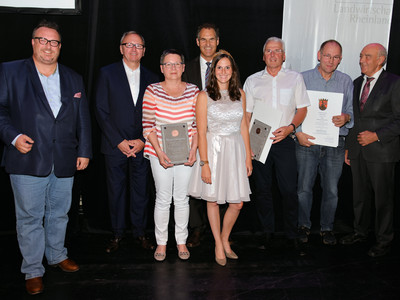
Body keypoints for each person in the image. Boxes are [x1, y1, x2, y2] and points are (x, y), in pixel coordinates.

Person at [0, 20, 92, 295]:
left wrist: (85, 150)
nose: (48, 46)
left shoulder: (73, 78)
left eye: (54, 42)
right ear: (33, 42)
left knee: (60, 213)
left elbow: (82, 118)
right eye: (43, 40)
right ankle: (32, 269)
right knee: (29, 218)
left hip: (64, 158)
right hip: (27, 159)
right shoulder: (10, 71)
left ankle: (56, 255)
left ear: (60, 47)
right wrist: (14, 137)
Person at [244, 37, 310, 250]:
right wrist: (248, 143)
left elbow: (302, 109)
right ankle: (267, 231)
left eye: (277, 51)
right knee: (262, 189)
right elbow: (247, 114)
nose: (273, 55)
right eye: (269, 51)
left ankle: (291, 232)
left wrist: (291, 128)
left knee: (289, 189)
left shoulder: (295, 78)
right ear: (263, 56)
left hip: (284, 140)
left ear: (284, 55)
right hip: (259, 140)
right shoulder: (253, 80)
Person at [95, 31, 158, 253]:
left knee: (141, 192)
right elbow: (101, 110)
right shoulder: (106, 73)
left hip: (143, 146)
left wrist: (142, 140)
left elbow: (155, 115)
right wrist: (119, 141)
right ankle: (117, 234)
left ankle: (140, 233)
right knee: (116, 191)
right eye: (129, 45)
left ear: (144, 51)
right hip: (115, 146)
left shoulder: (152, 77)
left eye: (138, 46)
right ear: (121, 48)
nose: (133, 49)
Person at [188, 50, 252, 266]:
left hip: (235, 151)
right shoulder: (203, 96)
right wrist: (204, 163)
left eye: (227, 67)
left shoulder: (241, 94)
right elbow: (201, 130)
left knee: (237, 203)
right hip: (213, 151)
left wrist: (248, 158)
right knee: (213, 200)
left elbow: (244, 126)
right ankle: (217, 243)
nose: (223, 71)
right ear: (212, 72)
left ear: (232, 71)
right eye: (219, 68)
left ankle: (225, 239)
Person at [340, 43, 400, 257]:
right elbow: (354, 119)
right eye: (361, 56)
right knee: (359, 196)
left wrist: (376, 135)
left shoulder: (394, 83)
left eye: (367, 56)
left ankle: (384, 240)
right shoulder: (357, 83)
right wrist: (349, 147)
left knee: (383, 198)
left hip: (382, 152)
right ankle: (360, 232)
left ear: (380, 60)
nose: (362, 60)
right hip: (358, 151)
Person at [142, 49, 199, 261]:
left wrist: (193, 150)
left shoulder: (194, 91)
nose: (173, 68)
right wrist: (159, 151)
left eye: (177, 64)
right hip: (159, 153)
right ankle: (162, 243)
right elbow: (147, 125)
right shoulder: (152, 90)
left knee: (182, 199)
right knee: (163, 198)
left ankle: (181, 241)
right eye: (168, 64)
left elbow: (198, 125)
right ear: (161, 68)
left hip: (188, 154)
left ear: (183, 67)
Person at [295, 40, 353, 245]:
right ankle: (303, 225)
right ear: (319, 55)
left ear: (340, 60)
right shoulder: (302, 78)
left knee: (331, 190)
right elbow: (295, 110)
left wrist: (346, 117)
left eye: (336, 57)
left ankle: (327, 227)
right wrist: (298, 133)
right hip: (307, 142)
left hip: (334, 143)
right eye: (327, 55)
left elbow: (351, 113)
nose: (331, 60)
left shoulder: (346, 81)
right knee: (304, 188)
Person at [182, 23, 220, 248]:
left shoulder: (227, 67)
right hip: (194, 135)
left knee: (220, 183)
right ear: (197, 42)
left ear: (218, 41)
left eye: (211, 39)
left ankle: (220, 231)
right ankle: (197, 228)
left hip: (221, 136)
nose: (207, 43)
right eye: (203, 39)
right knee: (193, 184)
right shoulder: (186, 68)